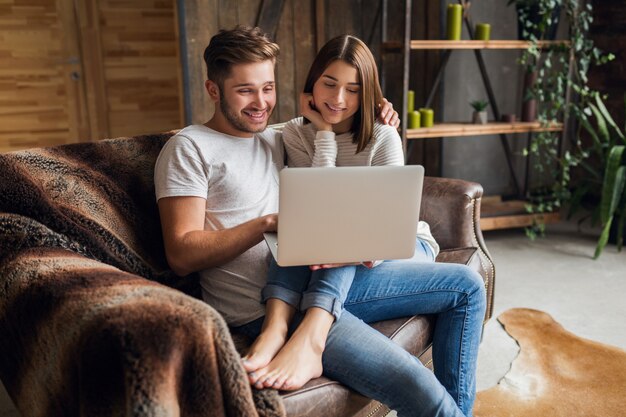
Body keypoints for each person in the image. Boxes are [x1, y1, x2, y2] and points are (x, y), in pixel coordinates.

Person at [155, 25, 486, 417]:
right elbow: (181, 253)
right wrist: (267, 223)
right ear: (213, 90)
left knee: (467, 285)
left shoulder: (274, 136)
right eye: (245, 90)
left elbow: (336, 137)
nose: (261, 103)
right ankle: (296, 336)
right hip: (261, 306)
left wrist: (377, 110)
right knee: (421, 390)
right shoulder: (189, 148)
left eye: (268, 88)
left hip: (318, 279)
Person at [241, 34, 440, 392]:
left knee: (343, 236)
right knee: (299, 233)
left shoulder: (383, 136)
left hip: (405, 246)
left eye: (353, 89)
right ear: (312, 84)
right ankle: (275, 329)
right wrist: (324, 134)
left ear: (367, 93)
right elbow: (318, 206)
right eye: (329, 84)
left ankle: (311, 336)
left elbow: (391, 227)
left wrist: (354, 244)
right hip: (337, 253)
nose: (337, 99)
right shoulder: (294, 134)